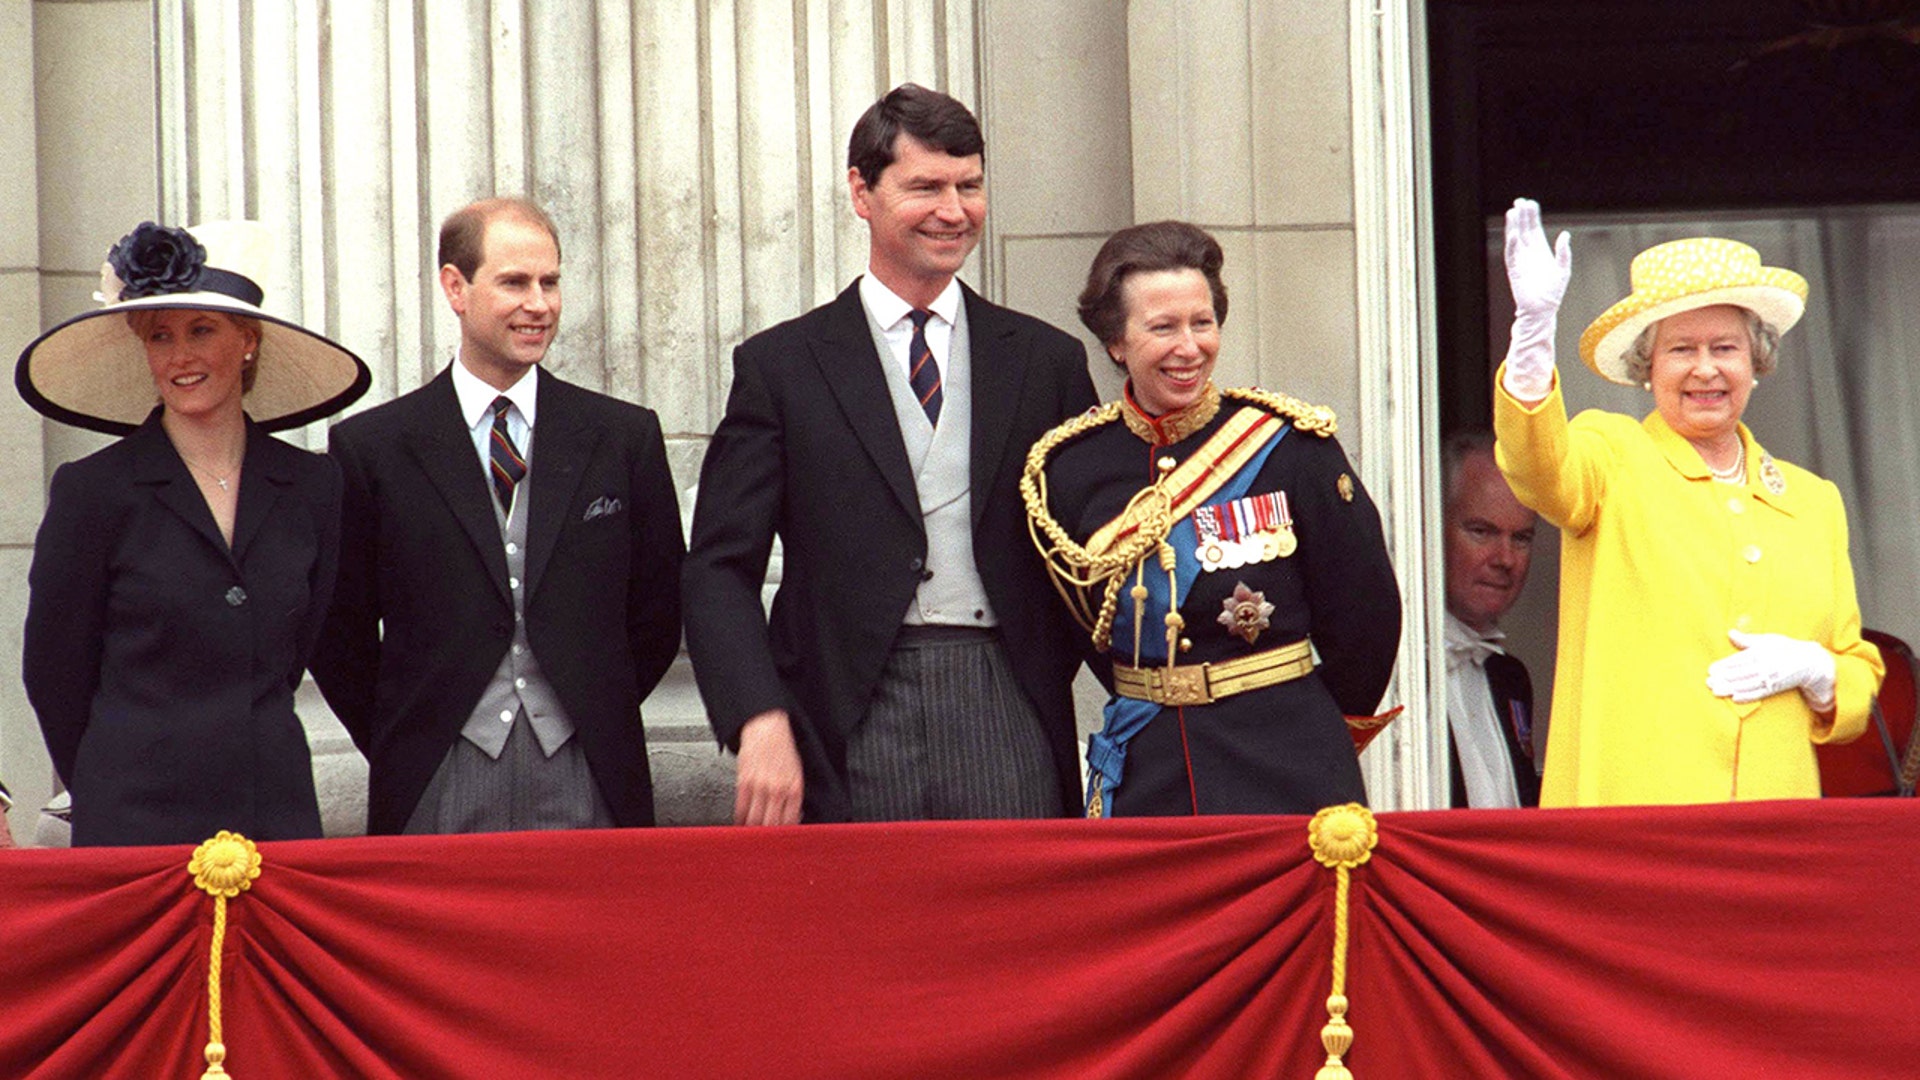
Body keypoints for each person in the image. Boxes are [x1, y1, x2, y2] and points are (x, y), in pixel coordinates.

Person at [682, 84, 1098, 824]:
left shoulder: (1046, 362)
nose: (953, 209)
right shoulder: (782, 365)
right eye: (925, 186)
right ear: (861, 192)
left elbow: (1096, 551)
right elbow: (718, 567)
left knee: (1012, 931)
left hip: (1006, 696)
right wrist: (758, 718)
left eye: (969, 186)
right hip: (844, 711)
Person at [310, 197, 684, 834]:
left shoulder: (623, 438)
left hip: (587, 770)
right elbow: (337, 632)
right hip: (436, 773)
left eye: (551, 282)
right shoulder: (373, 448)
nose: (538, 304)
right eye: (514, 282)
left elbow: (658, 612)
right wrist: (416, 733)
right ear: (456, 288)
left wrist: (586, 710)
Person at [1494, 197, 1883, 805]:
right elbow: (1537, 470)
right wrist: (1532, 337)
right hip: (1639, 826)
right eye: (1681, 350)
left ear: (1757, 361)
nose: (1706, 370)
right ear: (1646, 367)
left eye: (1725, 348)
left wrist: (1818, 669)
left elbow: (1858, 669)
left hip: (1772, 829)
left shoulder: (1813, 502)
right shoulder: (1611, 456)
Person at [1023, 221, 1401, 817]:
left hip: (1288, 769)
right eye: (1163, 327)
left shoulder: (1289, 447)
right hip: (1152, 776)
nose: (1189, 347)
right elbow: (1089, 635)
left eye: (1202, 323)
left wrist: (1310, 731)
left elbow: (1366, 616)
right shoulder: (1069, 470)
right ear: (1116, 341)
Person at [16, 219, 369, 846]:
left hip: (276, 824)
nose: (180, 356)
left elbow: (302, 651)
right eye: (160, 336)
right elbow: (54, 673)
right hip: (135, 829)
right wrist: (110, 785)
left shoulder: (313, 487)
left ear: (249, 341)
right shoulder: (93, 492)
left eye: (202, 330)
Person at [1441, 430, 1540, 809]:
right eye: (1481, 531)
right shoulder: (1399, 673)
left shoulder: (1509, 678)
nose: (1505, 559)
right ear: (1432, 529)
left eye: (1521, 538)